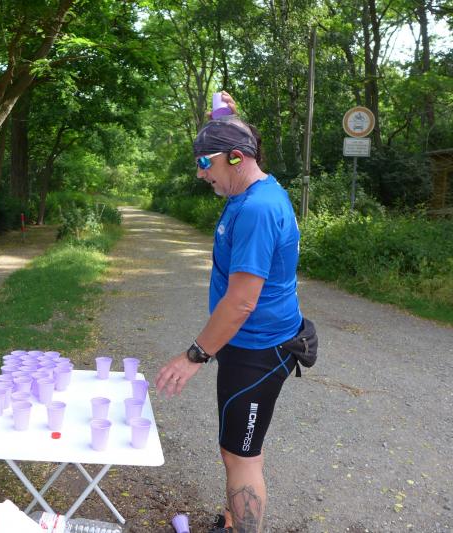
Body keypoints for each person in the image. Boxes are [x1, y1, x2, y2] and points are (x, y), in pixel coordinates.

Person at [155, 92, 304, 533]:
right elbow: (240, 142)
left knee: (242, 456)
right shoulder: (249, 190)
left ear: (236, 158)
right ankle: (231, 522)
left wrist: (194, 356)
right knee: (236, 449)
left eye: (206, 163)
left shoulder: (258, 208)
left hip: (259, 350)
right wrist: (226, 117)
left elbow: (241, 301)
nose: (201, 173)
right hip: (245, 346)